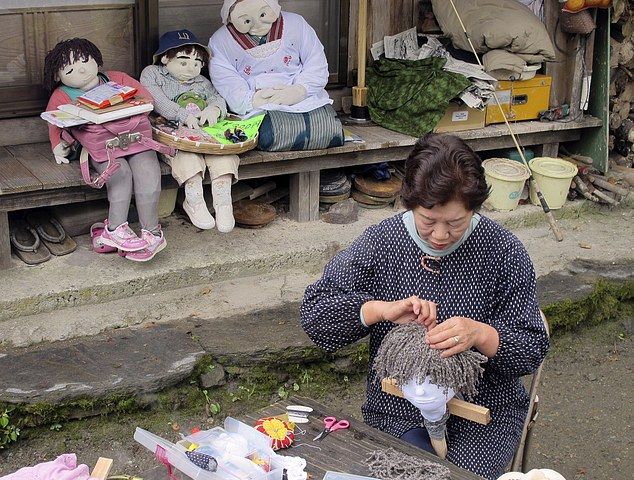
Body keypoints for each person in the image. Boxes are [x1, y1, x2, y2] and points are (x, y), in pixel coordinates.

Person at [300, 134, 550, 480]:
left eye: (455, 223)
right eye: (428, 220)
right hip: (397, 406)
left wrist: (480, 333)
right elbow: (317, 314)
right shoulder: (382, 242)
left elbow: (531, 347)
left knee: (454, 477)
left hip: (483, 412)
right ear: (410, 204)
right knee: (399, 472)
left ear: (474, 209)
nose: (440, 235)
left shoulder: (503, 250)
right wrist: (379, 310)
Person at [44, 38, 165, 261]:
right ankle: (116, 228)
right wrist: (57, 146)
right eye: (70, 69)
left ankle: (152, 232)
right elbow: (55, 123)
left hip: (135, 139)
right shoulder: (62, 95)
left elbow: (146, 98)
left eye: (84, 61)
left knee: (148, 170)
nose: (81, 70)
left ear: (96, 58)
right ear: (57, 76)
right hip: (101, 148)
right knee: (119, 173)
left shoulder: (117, 78)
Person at [208, 0, 344, 151]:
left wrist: (301, 90)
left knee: (325, 128)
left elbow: (315, 61)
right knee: (268, 133)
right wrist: (250, 100)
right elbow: (226, 80)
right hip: (258, 104)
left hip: (304, 97)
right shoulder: (221, 41)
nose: (257, 25)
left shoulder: (296, 24)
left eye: (263, 14)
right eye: (247, 20)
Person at [141, 29, 240, 232]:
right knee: (186, 157)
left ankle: (223, 202)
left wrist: (215, 109)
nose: (190, 68)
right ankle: (194, 201)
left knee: (222, 154)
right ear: (165, 58)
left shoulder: (201, 82)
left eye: (197, 63)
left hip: (204, 135)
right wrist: (182, 115)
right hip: (172, 134)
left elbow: (216, 98)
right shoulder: (153, 73)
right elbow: (156, 99)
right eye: (183, 62)